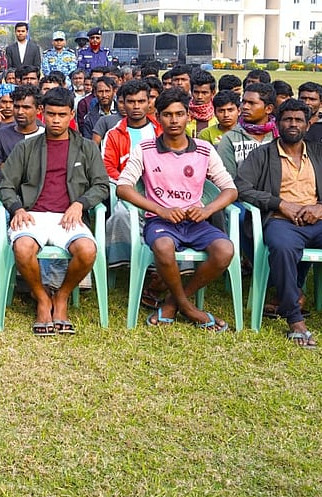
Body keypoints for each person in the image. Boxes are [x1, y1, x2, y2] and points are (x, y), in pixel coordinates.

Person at [235, 99, 322, 348]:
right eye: (287, 119)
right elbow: (242, 187)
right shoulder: (263, 154)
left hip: (319, 220)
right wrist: (279, 204)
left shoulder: (320, 154)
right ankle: (294, 319)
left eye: (299, 120)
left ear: (308, 124)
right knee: (283, 249)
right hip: (280, 221)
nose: (293, 124)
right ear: (277, 122)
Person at [116, 88, 238, 331]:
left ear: (188, 117)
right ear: (158, 117)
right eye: (168, 115)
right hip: (160, 222)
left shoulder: (204, 149)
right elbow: (123, 187)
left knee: (225, 250)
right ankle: (189, 308)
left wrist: (206, 210)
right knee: (162, 246)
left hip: (196, 222)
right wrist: (159, 210)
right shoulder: (146, 149)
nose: (174, 120)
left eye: (179, 114)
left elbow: (230, 189)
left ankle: (173, 303)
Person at [0, 87, 108, 335]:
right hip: (32, 214)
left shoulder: (86, 148)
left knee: (88, 250)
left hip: (68, 216)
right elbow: (5, 185)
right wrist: (16, 208)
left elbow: (101, 185)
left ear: (71, 115)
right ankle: (42, 299)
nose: (55, 120)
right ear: (41, 114)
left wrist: (80, 204)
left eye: (61, 115)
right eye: (50, 114)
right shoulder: (27, 148)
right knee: (23, 247)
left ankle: (62, 297)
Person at [101, 79, 161, 180]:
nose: (136, 106)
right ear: (123, 103)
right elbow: (108, 167)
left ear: (148, 102)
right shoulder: (113, 135)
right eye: (131, 102)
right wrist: (127, 186)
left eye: (141, 101)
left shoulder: (160, 130)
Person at [0, 84, 43, 183]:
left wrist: (8, 167)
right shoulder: (0, 136)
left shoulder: (45, 135)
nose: (20, 112)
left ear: (39, 109)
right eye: (16, 107)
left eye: (26, 107)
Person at [217, 82, 278, 178]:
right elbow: (228, 181)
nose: (245, 107)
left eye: (251, 103)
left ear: (268, 109)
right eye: (244, 102)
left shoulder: (279, 135)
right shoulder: (230, 139)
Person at [186, 70, 217, 137]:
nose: (200, 97)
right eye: (196, 92)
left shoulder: (218, 114)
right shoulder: (183, 113)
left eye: (204, 93)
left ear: (213, 93)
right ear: (191, 92)